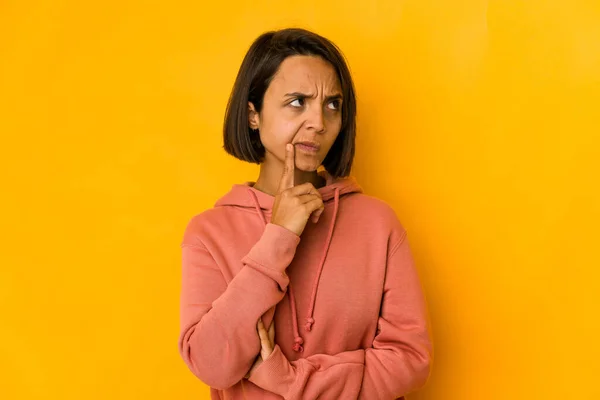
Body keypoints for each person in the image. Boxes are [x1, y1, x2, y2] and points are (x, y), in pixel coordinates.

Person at [178, 27, 433, 400]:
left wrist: (290, 381)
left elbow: (410, 361)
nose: (319, 121)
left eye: (332, 104)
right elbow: (212, 364)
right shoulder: (209, 232)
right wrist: (278, 237)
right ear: (253, 114)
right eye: (298, 101)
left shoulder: (378, 223)